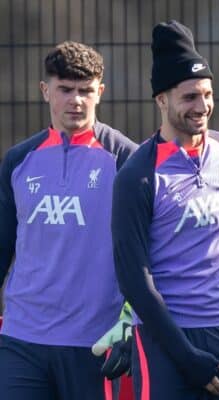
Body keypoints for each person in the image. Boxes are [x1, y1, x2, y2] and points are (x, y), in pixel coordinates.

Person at [111, 20, 219, 399]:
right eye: (189, 97)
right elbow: (134, 277)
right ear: (161, 100)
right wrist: (184, 355)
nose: (202, 107)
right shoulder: (137, 174)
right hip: (165, 337)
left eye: (207, 93)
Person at [0, 41, 137, 400]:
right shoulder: (18, 161)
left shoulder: (127, 160)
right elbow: (3, 246)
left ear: (100, 93)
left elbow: (148, 252)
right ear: (46, 91)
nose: (76, 100)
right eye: (65, 90)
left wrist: (131, 323)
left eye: (85, 91)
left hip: (95, 344)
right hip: (22, 341)